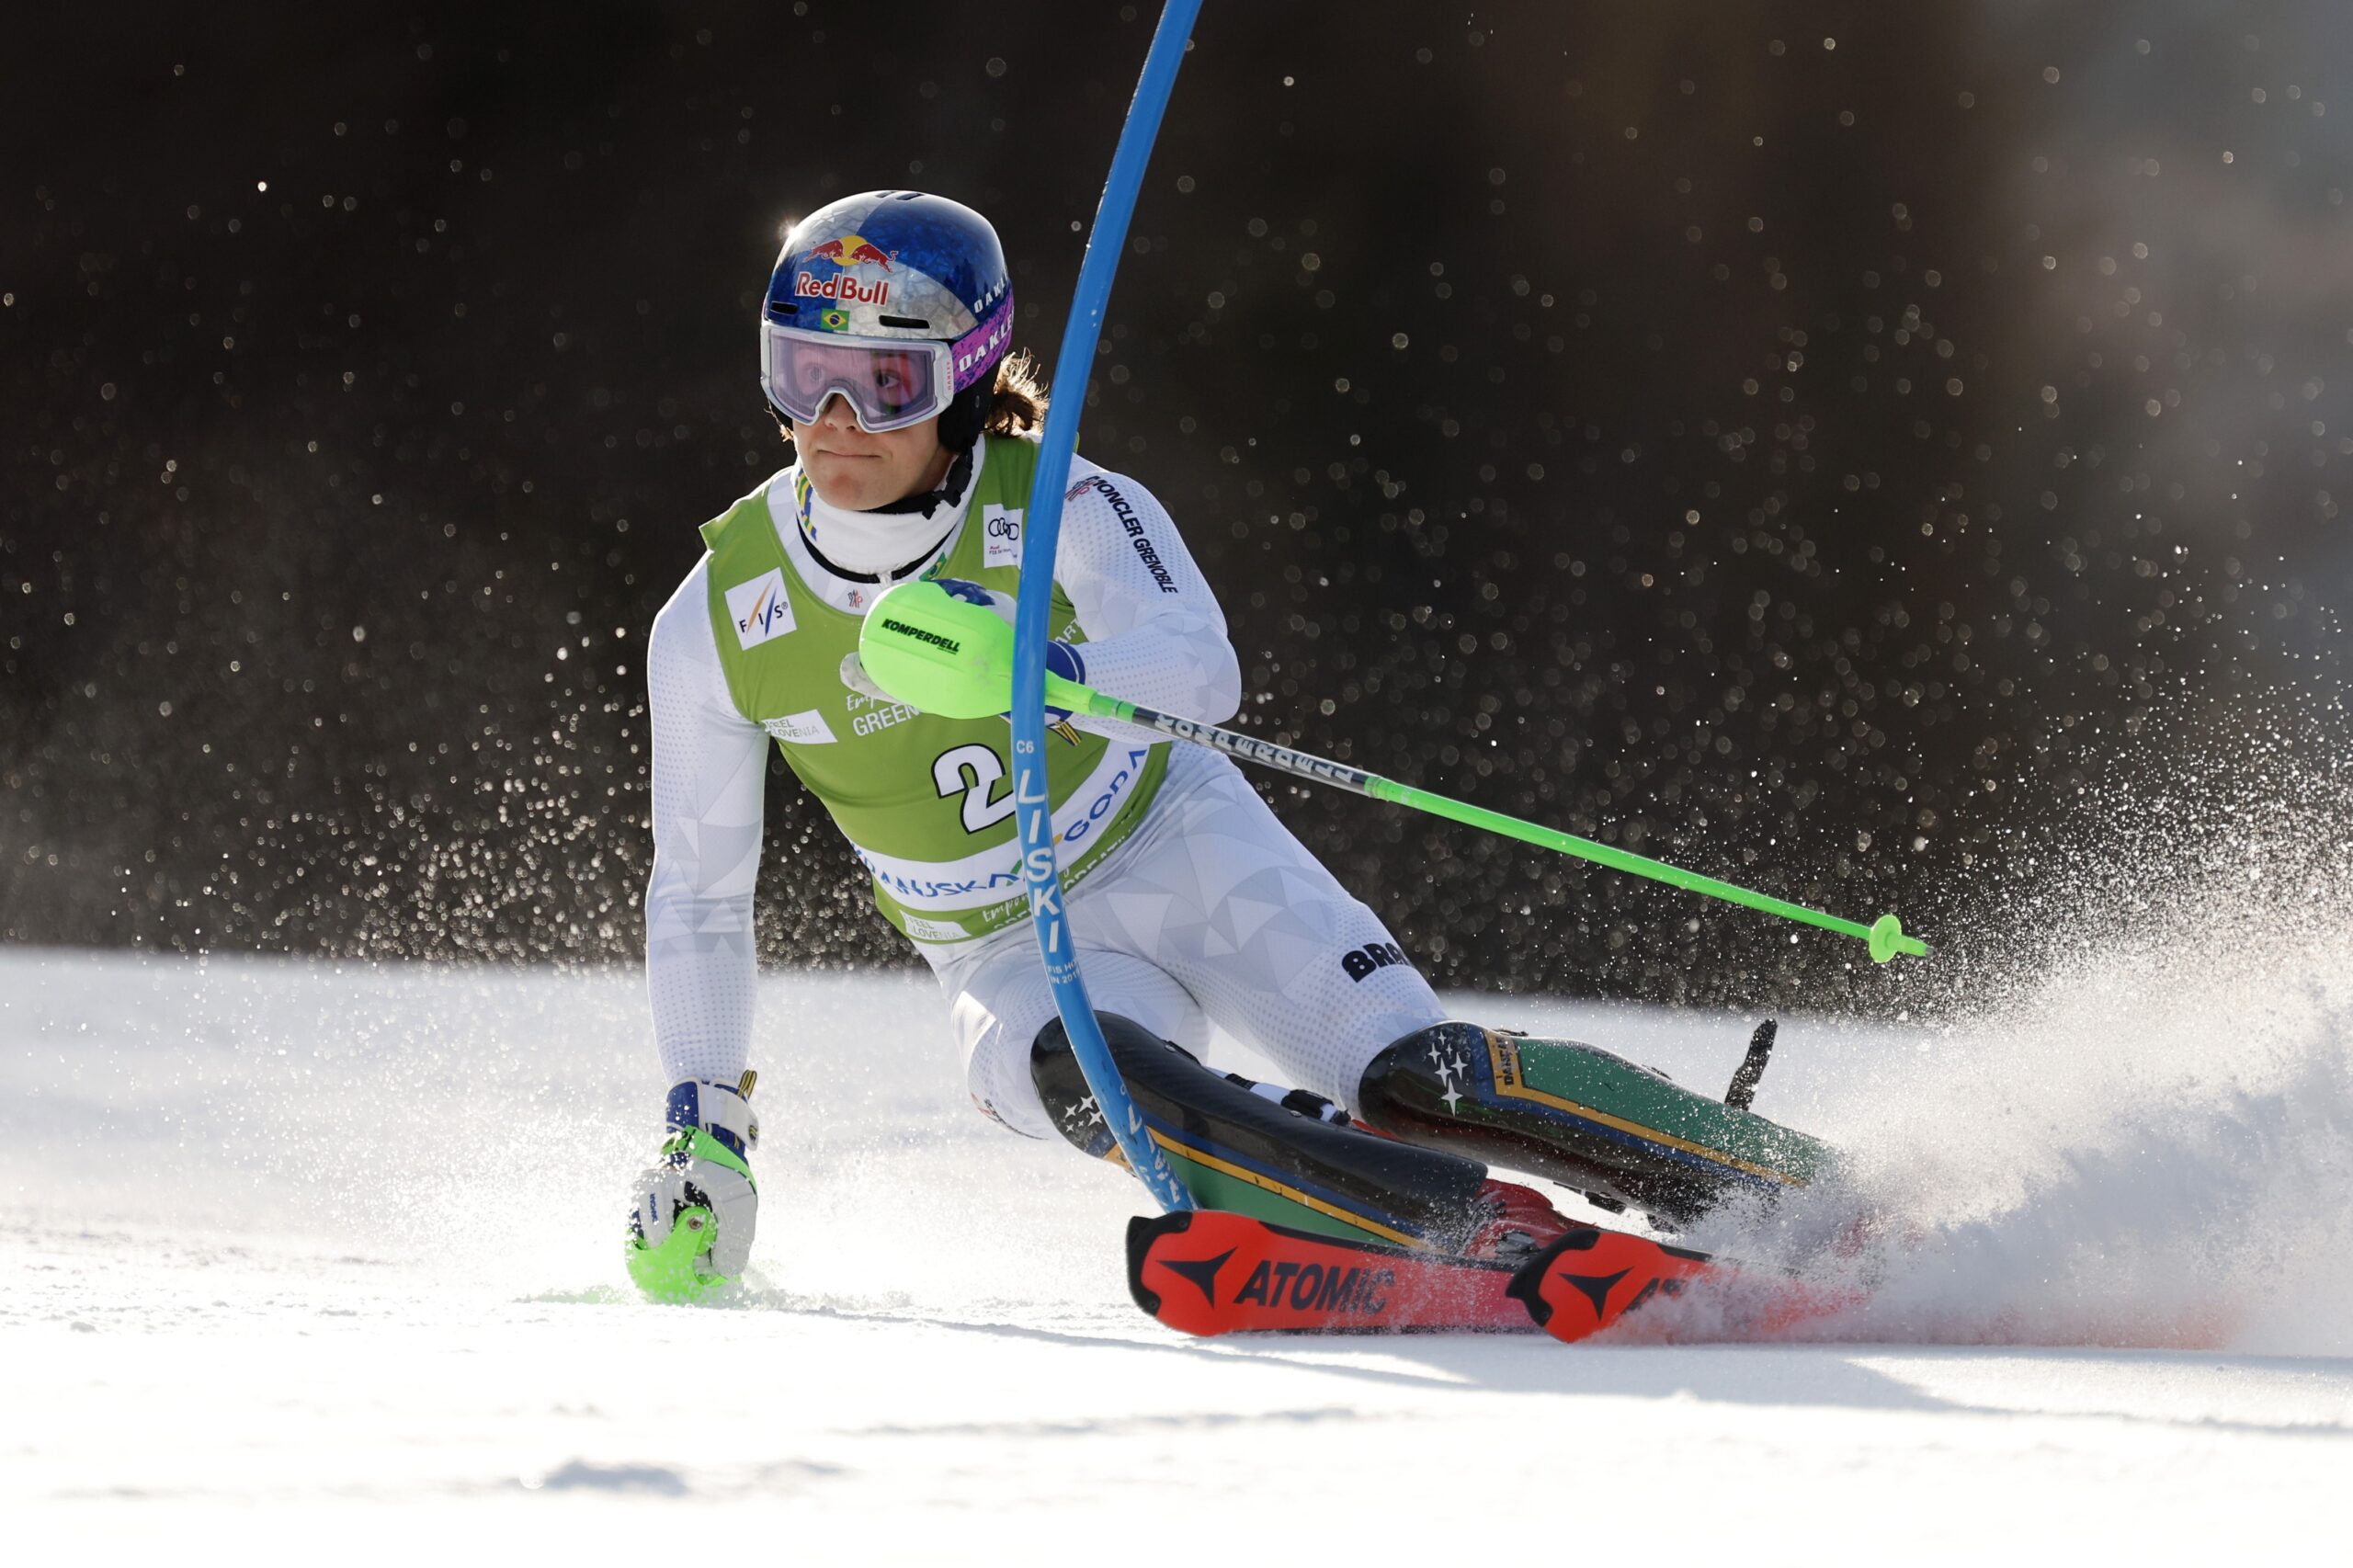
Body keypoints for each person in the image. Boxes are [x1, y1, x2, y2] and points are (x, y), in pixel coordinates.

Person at [624, 191, 1732, 1300]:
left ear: (963, 381)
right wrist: (704, 1120)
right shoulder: (715, 617)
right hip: (1001, 947)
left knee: (1411, 1080)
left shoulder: (1060, 496)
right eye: (804, 372)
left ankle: (1760, 1179)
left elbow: (1200, 663)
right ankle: (1436, 1224)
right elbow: (698, 895)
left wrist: (1050, 676)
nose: (834, 418)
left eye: (884, 382)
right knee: (1094, 1072)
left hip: (1181, 845)